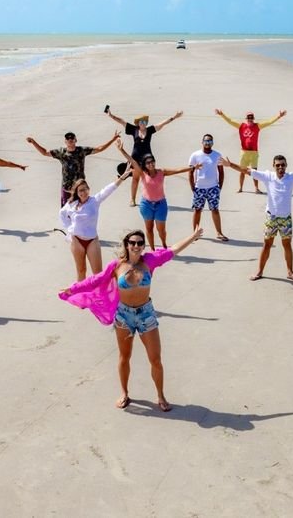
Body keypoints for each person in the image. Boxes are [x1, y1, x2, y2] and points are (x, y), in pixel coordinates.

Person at [59, 226, 204, 412]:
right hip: (124, 316)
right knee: (124, 357)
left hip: (146, 315)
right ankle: (124, 393)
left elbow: (173, 249)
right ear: (127, 245)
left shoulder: (150, 261)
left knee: (155, 359)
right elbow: (95, 280)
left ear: (143, 246)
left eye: (140, 243)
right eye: (132, 243)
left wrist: (192, 236)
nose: (136, 246)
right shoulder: (117, 266)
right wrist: (74, 288)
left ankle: (160, 395)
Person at [116, 139, 200, 250]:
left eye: (152, 162)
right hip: (146, 205)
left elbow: (177, 170)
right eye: (148, 163)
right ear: (145, 165)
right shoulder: (142, 173)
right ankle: (152, 249)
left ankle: (164, 245)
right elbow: (132, 161)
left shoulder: (162, 172)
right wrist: (122, 150)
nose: (151, 164)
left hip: (161, 204)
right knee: (149, 228)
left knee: (161, 230)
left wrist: (193, 167)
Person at [59, 169, 133, 281]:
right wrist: (70, 229)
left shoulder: (95, 201)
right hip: (76, 240)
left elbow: (108, 190)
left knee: (98, 273)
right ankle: (82, 297)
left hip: (92, 240)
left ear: (89, 189)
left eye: (85, 189)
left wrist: (122, 178)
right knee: (81, 271)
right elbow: (62, 214)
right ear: (77, 193)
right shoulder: (71, 204)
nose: (84, 193)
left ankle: (100, 296)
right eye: (80, 191)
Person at [106, 108, 183, 205]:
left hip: (147, 159)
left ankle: (151, 197)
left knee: (150, 178)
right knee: (135, 178)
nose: (143, 123)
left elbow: (162, 124)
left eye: (145, 121)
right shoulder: (134, 129)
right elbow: (122, 122)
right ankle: (132, 199)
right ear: (138, 123)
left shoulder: (150, 130)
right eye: (141, 121)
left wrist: (174, 117)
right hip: (135, 158)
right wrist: (111, 115)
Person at [27, 130, 120, 207]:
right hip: (66, 188)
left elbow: (99, 149)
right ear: (65, 142)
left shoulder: (82, 151)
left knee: (81, 210)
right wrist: (33, 142)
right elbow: (45, 152)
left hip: (80, 189)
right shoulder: (61, 152)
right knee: (66, 211)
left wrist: (113, 139)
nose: (70, 140)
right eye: (68, 139)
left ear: (76, 140)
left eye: (72, 138)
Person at [215, 108, 287, 193]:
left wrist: (279, 116)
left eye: (251, 117)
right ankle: (241, 188)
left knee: (255, 172)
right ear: (246, 118)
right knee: (242, 170)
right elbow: (230, 121)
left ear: (253, 118)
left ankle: (256, 188)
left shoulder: (257, 126)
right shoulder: (241, 126)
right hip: (244, 152)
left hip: (254, 152)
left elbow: (269, 122)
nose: (250, 119)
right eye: (248, 117)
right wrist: (222, 114)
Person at [188, 133, 229, 241]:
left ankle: (219, 233)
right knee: (197, 210)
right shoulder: (195, 155)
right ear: (202, 142)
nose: (207, 143)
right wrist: (192, 186)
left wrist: (219, 187)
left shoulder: (217, 155)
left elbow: (221, 171)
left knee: (215, 210)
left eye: (210, 141)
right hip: (199, 187)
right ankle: (195, 234)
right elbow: (190, 172)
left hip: (213, 187)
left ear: (212, 143)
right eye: (206, 141)